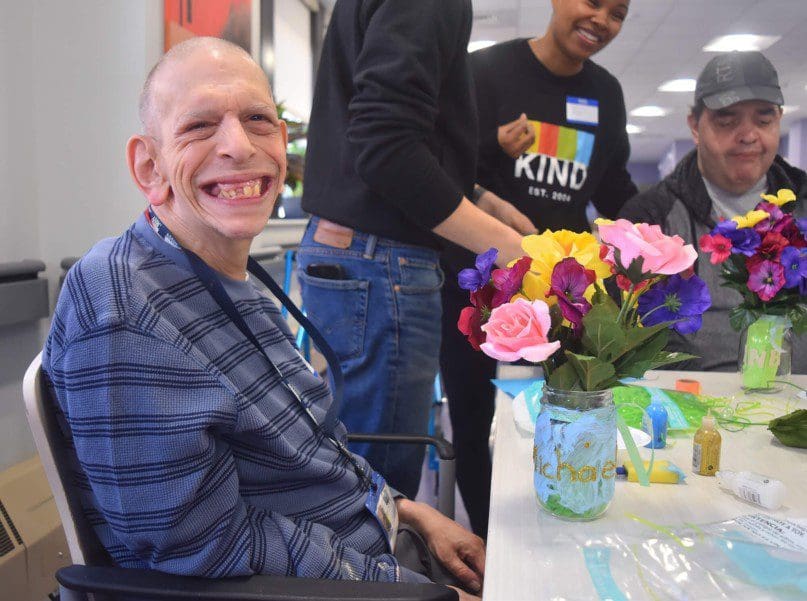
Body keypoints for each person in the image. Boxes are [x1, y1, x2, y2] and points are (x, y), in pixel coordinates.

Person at [42, 37, 485, 598]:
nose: (238, 146)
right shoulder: (123, 305)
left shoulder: (233, 278)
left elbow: (313, 447)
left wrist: (411, 514)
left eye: (257, 119)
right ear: (149, 166)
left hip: (374, 553)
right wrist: (404, 585)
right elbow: (201, 549)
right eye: (200, 126)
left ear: (282, 143)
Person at [298, 0, 532, 499]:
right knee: (377, 486)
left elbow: (391, 139)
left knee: (360, 463)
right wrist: (511, 248)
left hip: (360, 251)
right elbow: (387, 148)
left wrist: (479, 199)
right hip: (382, 258)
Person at [440, 0, 637, 537]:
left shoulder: (605, 93)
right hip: (479, 283)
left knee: (562, 413)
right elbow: (443, 168)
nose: (601, 20)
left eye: (617, 13)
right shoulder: (486, 72)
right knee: (474, 416)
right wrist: (493, 146)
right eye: (592, 2)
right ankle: (487, 542)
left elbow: (614, 186)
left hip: (563, 295)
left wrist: (651, 237)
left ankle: (558, 522)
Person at [619, 50, 807, 372]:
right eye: (727, 120)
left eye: (764, 119)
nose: (748, 135)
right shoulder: (650, 219)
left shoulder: (802, 201)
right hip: (691, 407)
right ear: (695, 125)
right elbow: (631, 334)